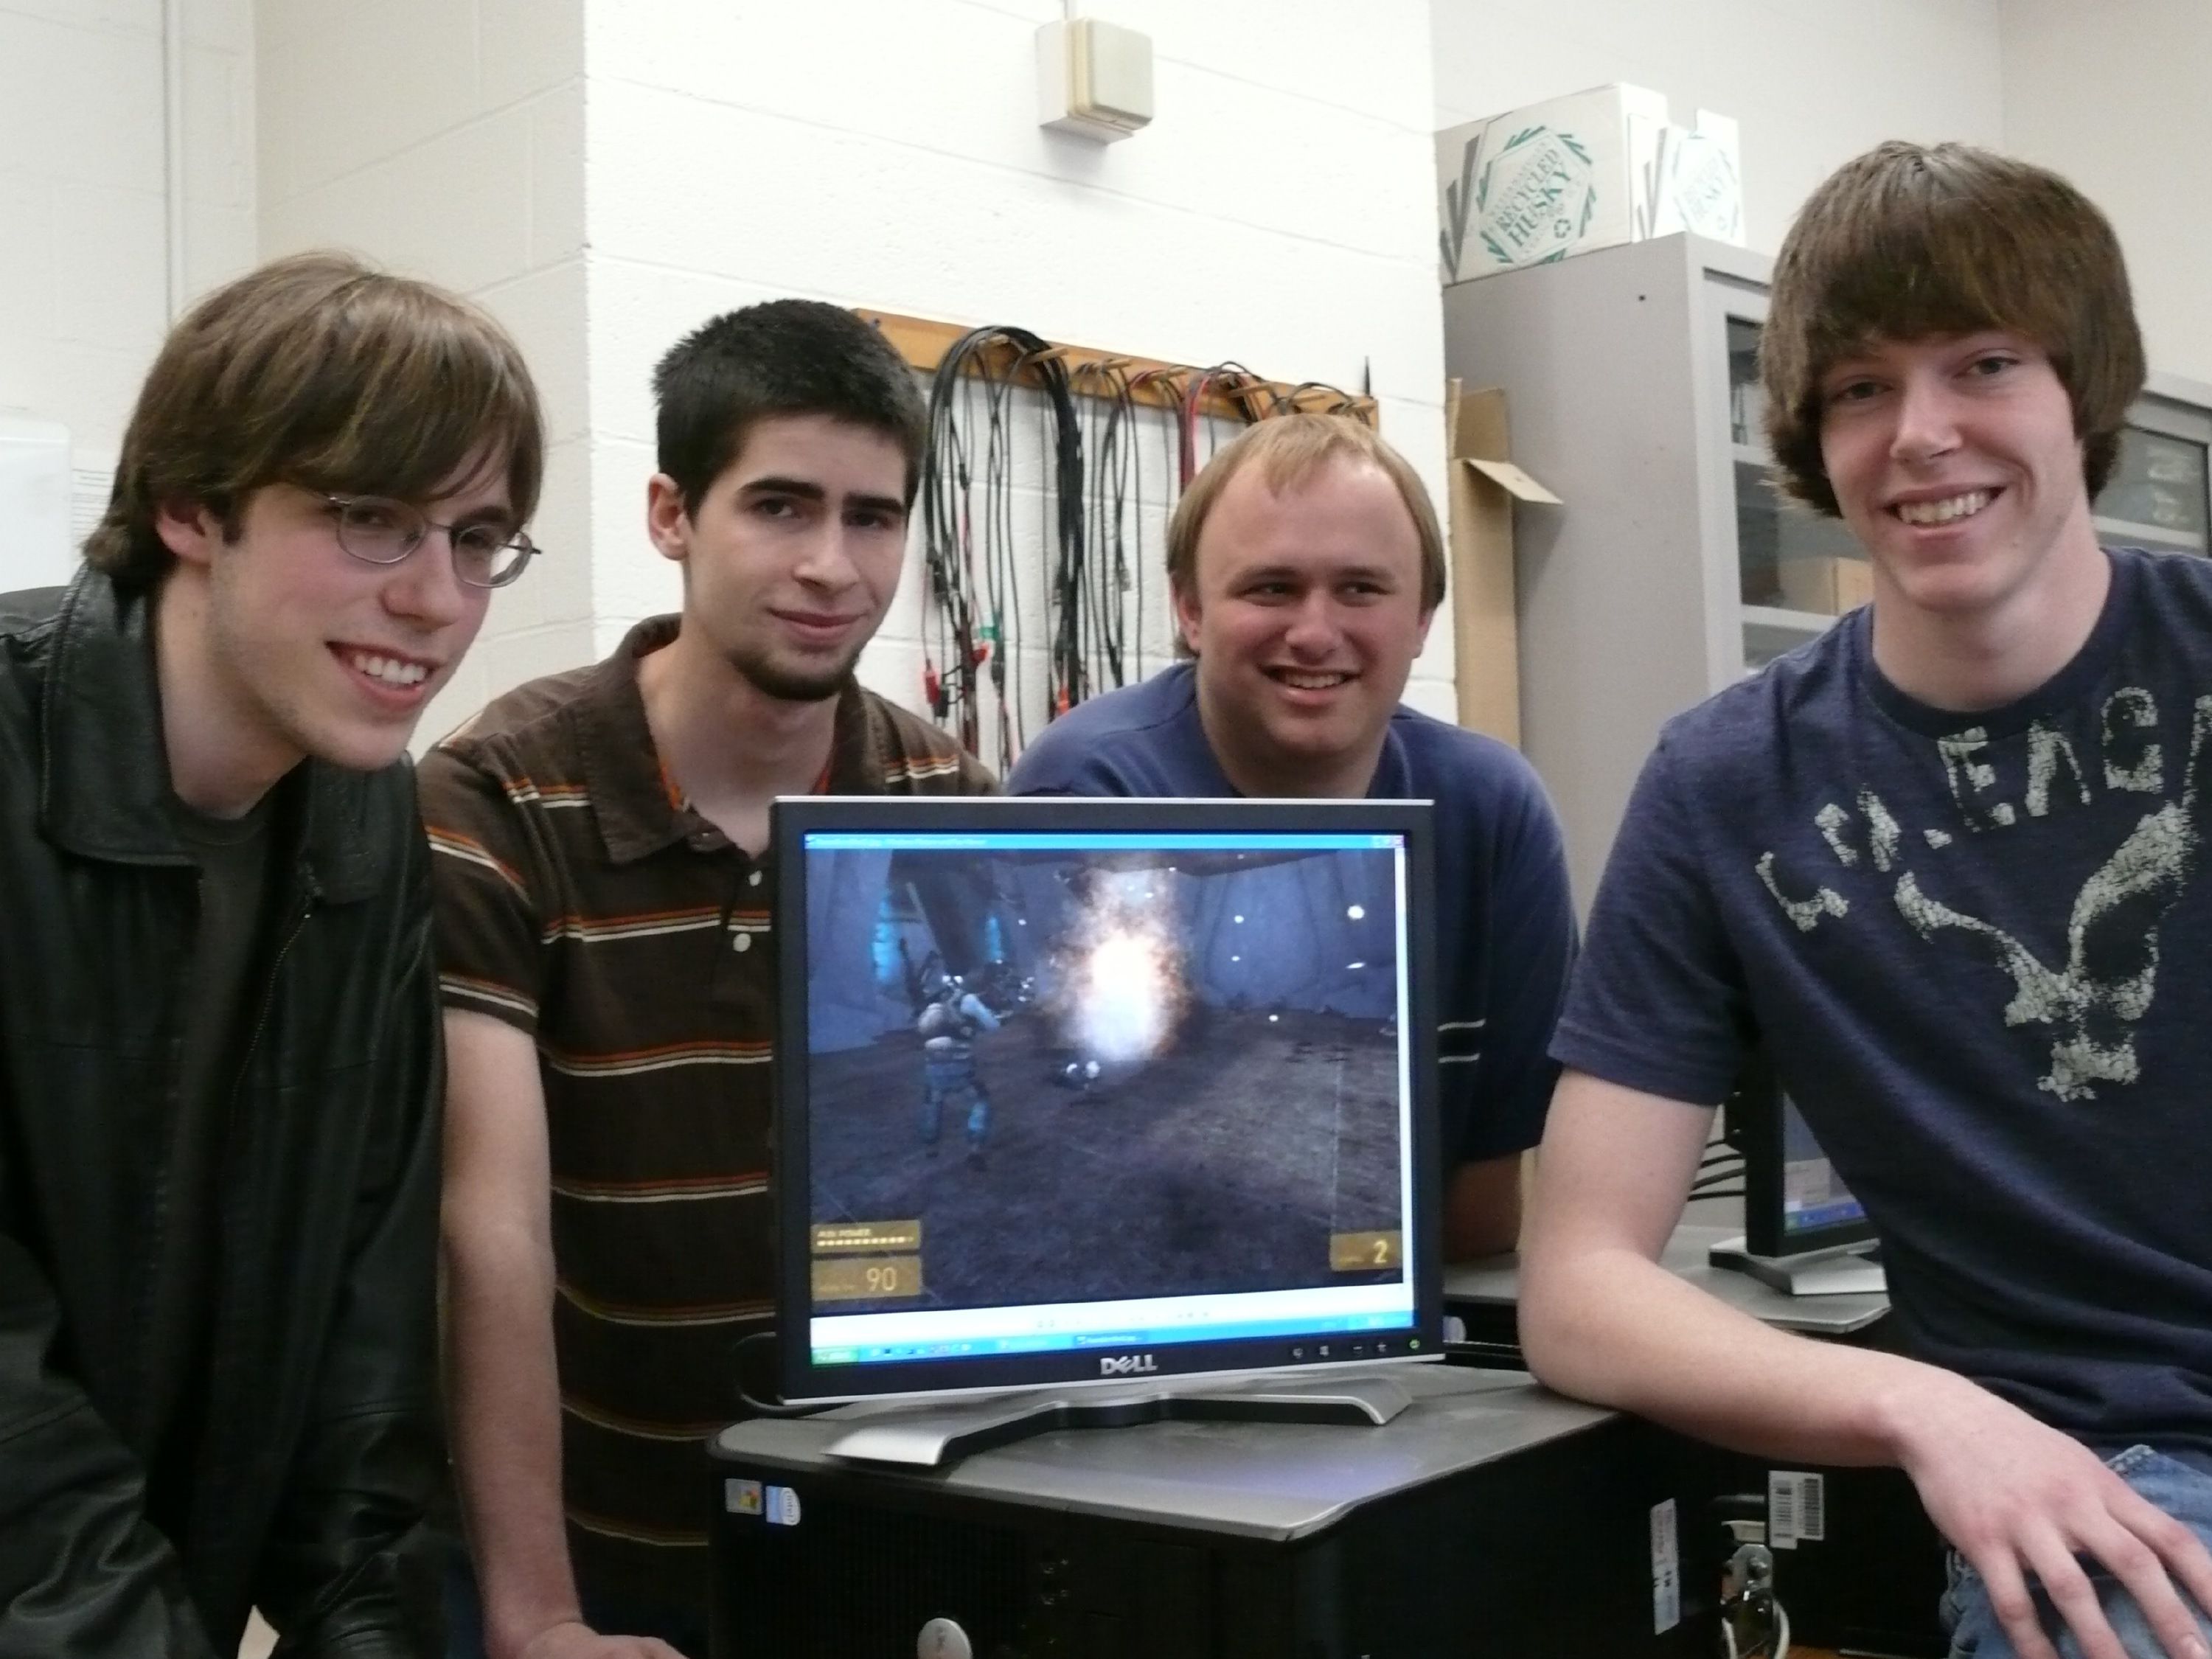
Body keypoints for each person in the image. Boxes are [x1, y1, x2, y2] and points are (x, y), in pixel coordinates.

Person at [1519, 140, 2212, 1659]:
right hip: (2119, 1484)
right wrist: (1923, 1407)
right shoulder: (1725, 786)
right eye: (1859, 388)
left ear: (2080, 392)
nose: (1922, 433)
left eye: (1985, 363)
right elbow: (1576, 1287)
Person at [423, 299, 995, 1659]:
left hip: (874, 1534)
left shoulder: (945, 797)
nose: (832, 566)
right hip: (587, 1548)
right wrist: (537, 1617)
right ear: (672, 513)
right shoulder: (498, 799)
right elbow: (486, 1237)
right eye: (781, 507)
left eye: (873, 517)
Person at [0, 251, 545, 1657]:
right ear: (192, 506)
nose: (437, 600)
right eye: (372, 519)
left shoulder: (364, 818)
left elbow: (364, 1330)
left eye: (477, 539)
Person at [1006, 413, 1575, 1260]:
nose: (1314, 632)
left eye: (1361, 589)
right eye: (1271, 587)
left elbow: (1486, 1214)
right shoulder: (1085, 793)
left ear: (1422, 618)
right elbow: (1086, 1185)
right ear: (1191, 610)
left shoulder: (1493, 811)